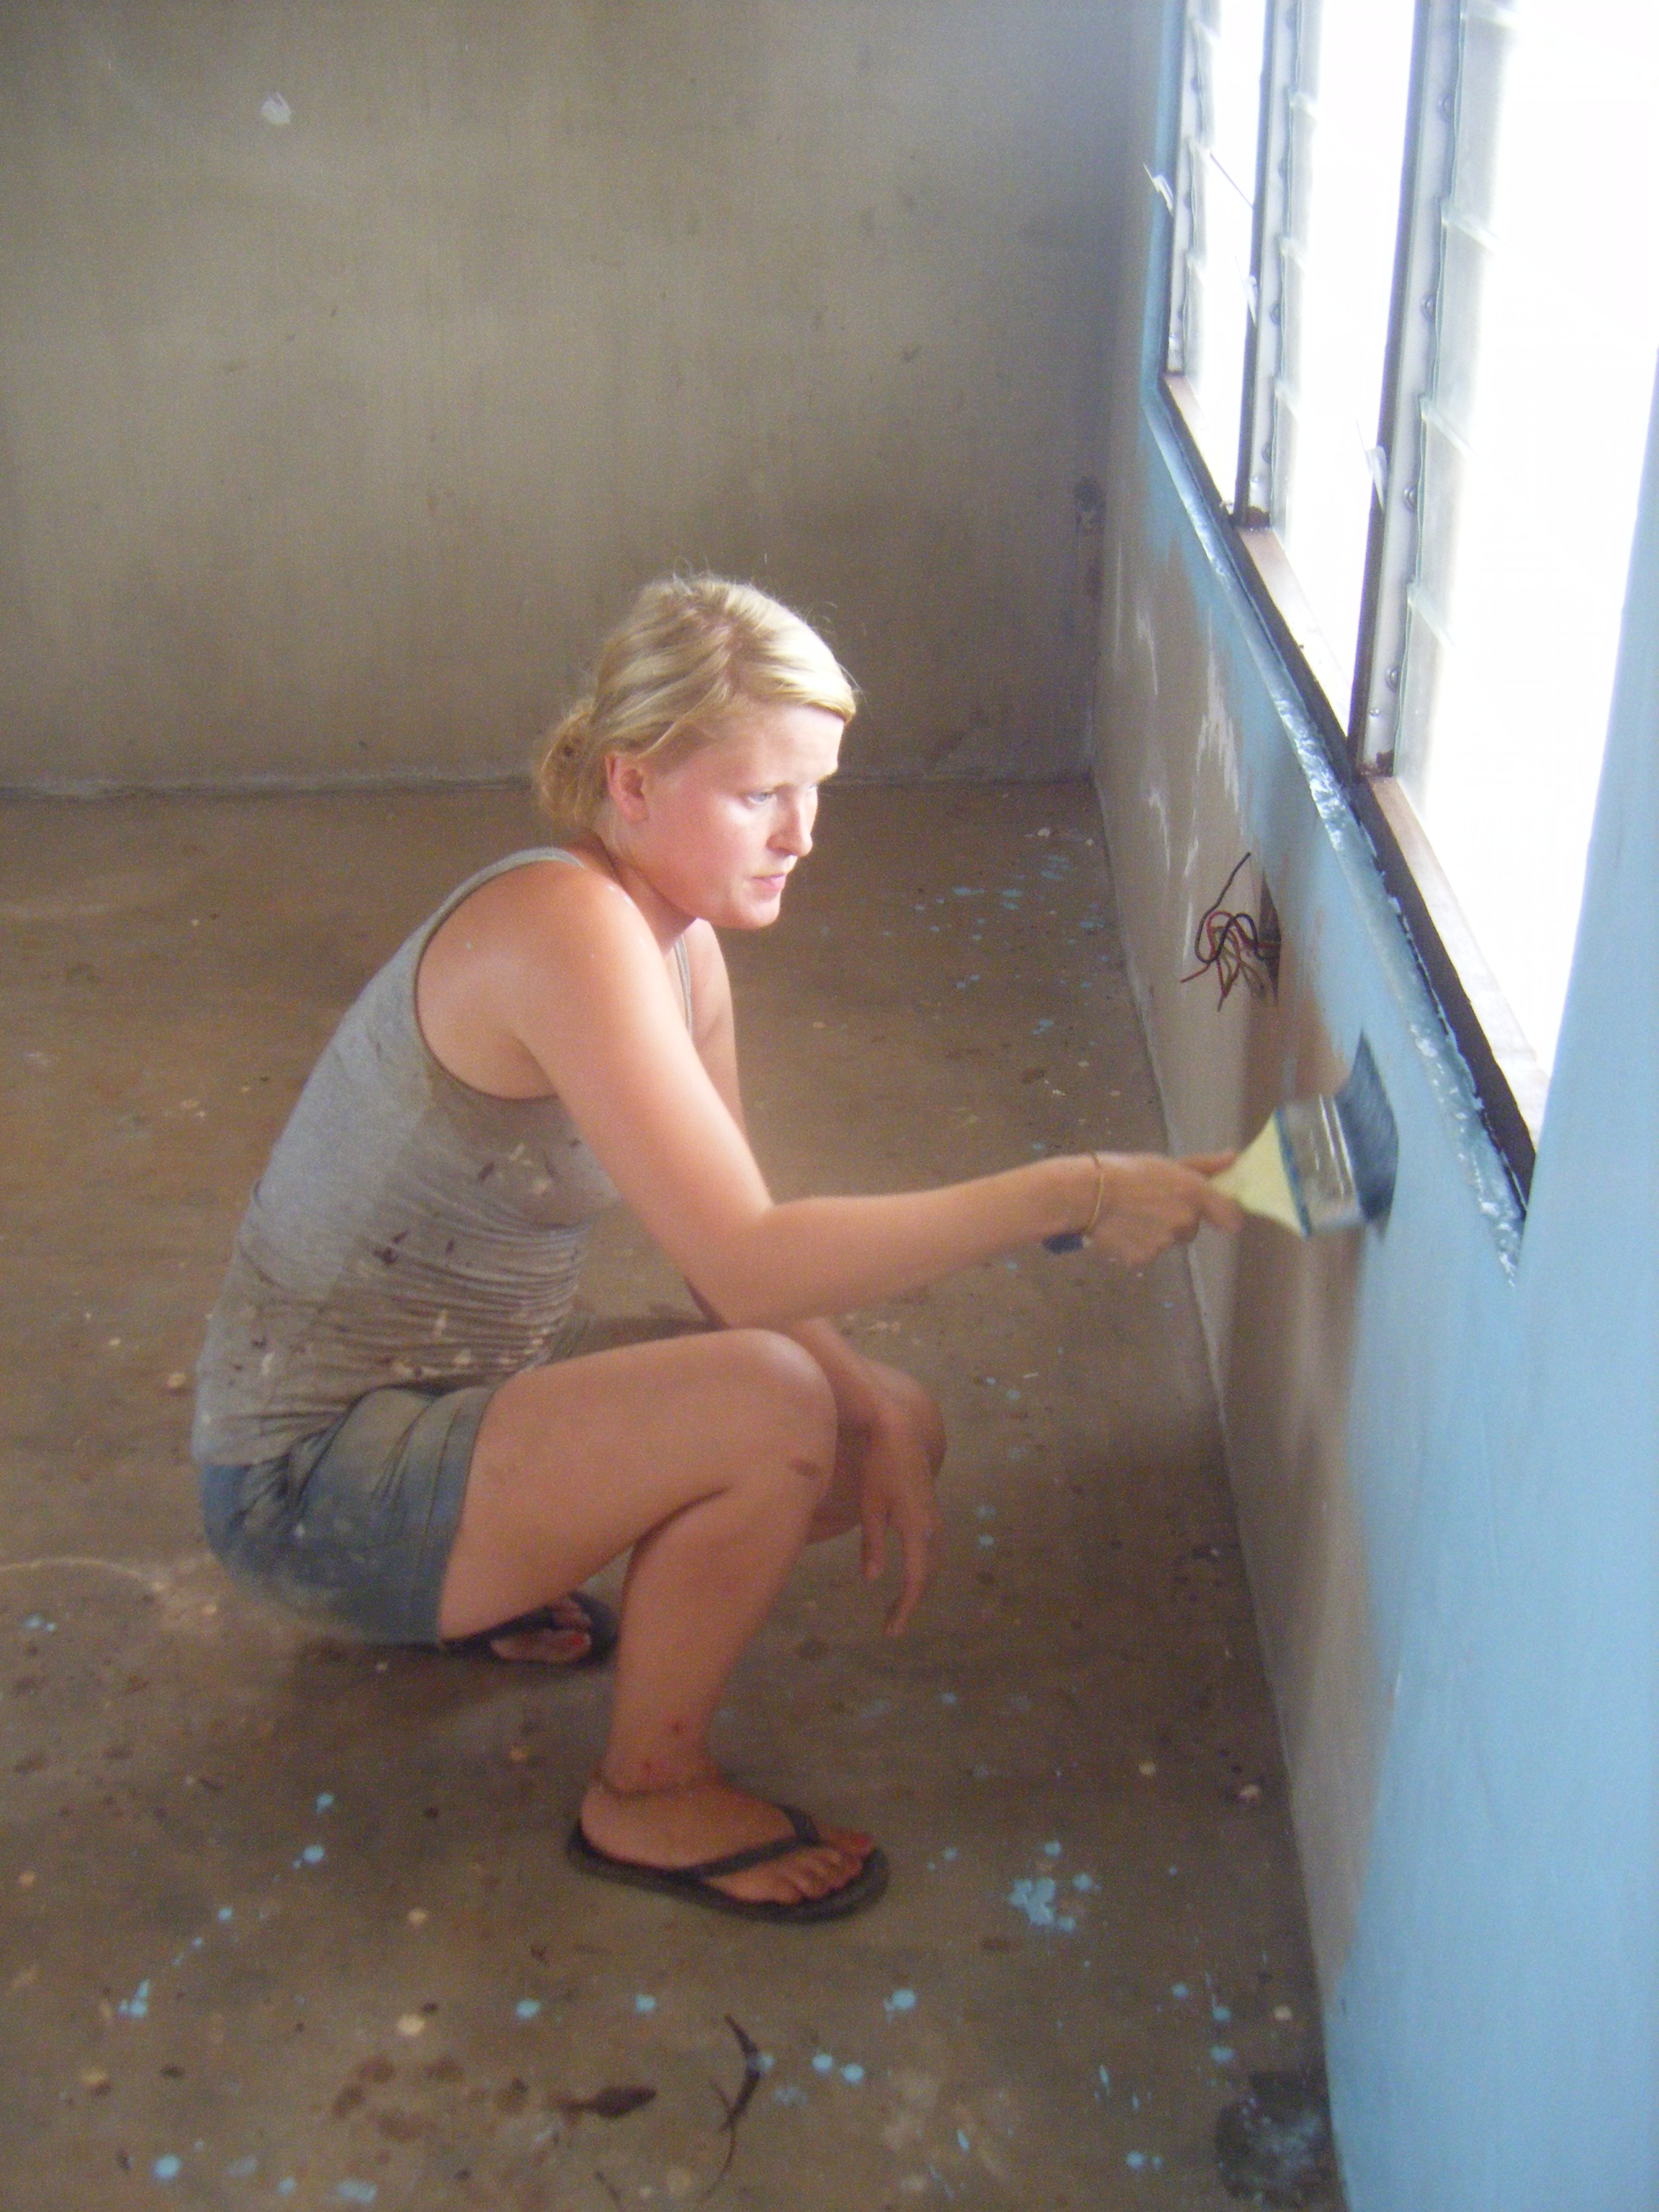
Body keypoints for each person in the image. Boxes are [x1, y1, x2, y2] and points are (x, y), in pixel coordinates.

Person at [193, 575, 1241, 1924]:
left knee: (882, 1426)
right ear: (631, 783)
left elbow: (723, 1257)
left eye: (818, 792)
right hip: (302, 1493)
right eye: (762, 796)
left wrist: (875, 1405)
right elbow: (751, 1267)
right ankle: (644, 1793)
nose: (804, 835)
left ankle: (487, 1582)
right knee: (773, 1405)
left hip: (444, 1402)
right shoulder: (565, 927)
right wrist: (1072, 1189)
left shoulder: (679, 952)